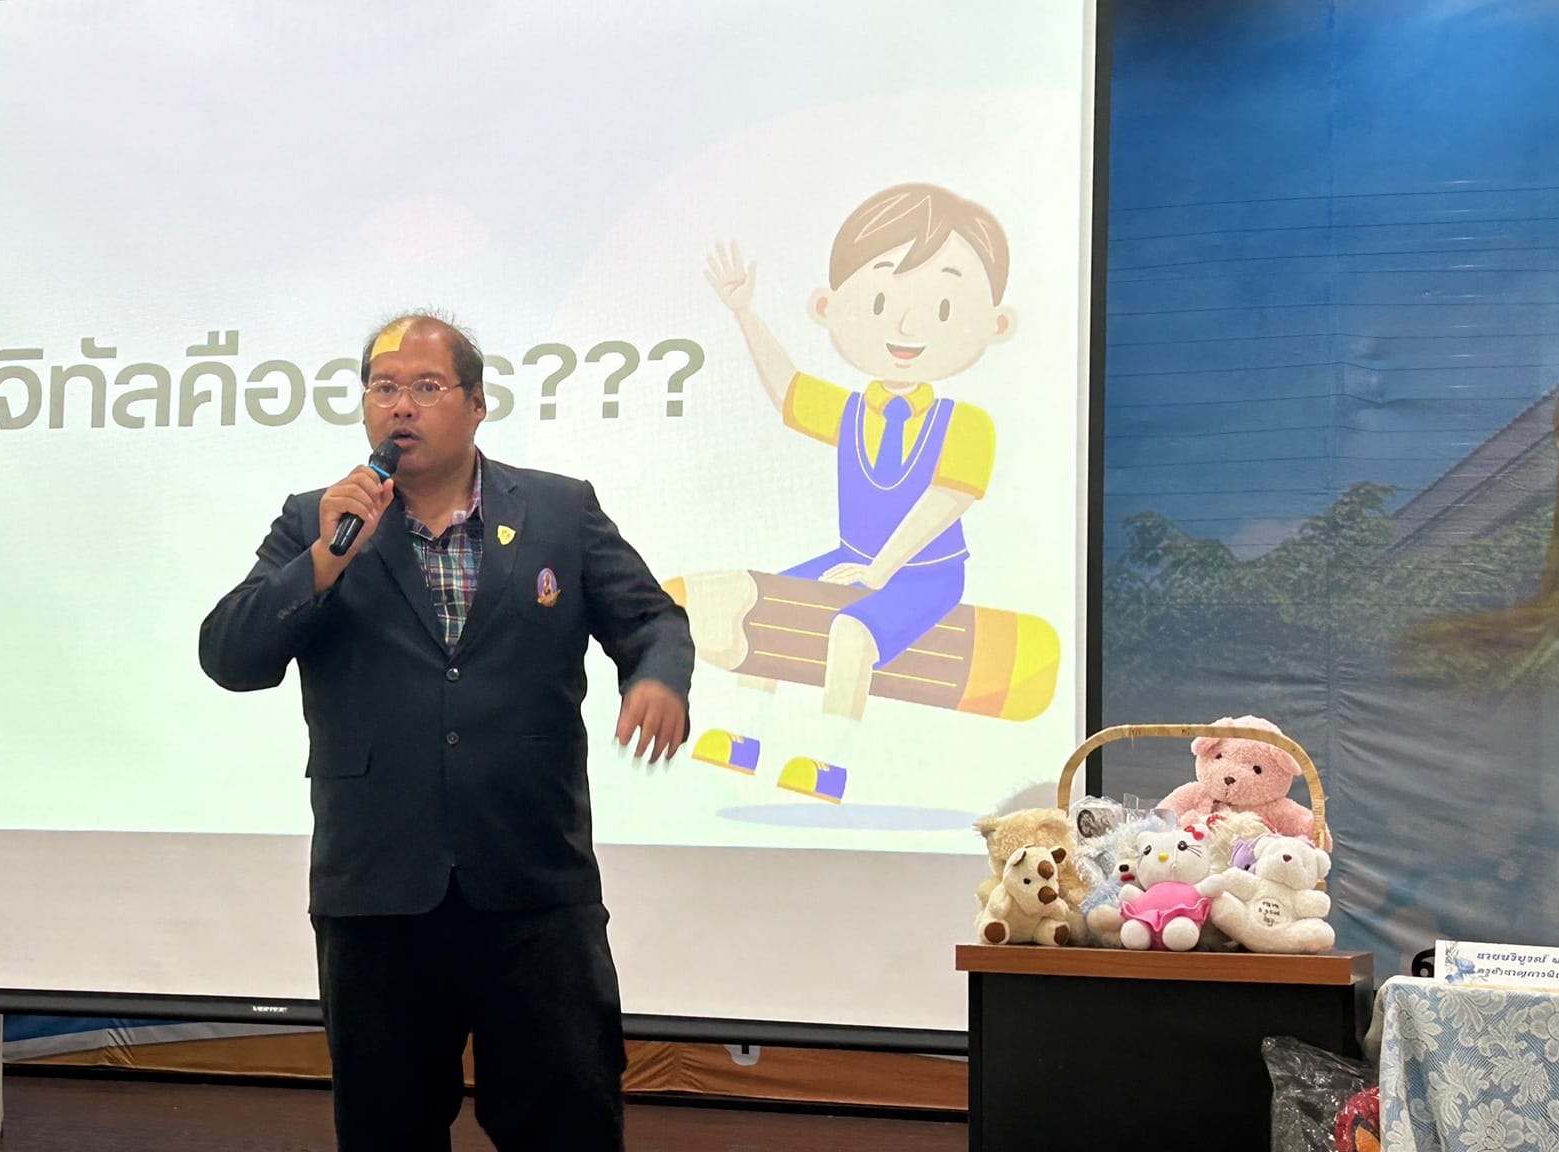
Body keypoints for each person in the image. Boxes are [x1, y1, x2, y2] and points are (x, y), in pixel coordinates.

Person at [198, 312, 693, 1151]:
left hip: (532, 884)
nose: (401, 406)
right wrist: (323, 561)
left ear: (476, 403)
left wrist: (657, 677)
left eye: (426, 387)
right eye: (384, 388)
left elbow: (653, 619)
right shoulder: (316, 520)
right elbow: (230, 656)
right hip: (378, 892)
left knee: (568, 1126)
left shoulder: (559, 510)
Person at [699, 182, 1016, 723]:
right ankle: (745, 743)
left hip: (924, 574)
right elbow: (788, 388)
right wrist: (745, 313)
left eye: (942, 308)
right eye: (879, 303)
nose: (907, 328)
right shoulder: (851, 412)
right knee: (761, 611)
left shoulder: (965, 424)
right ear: (827, 307)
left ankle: (831, 756)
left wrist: (881, 571)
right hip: (852, 561)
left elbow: (944, 503)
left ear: (997, 324)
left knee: (850, 633)